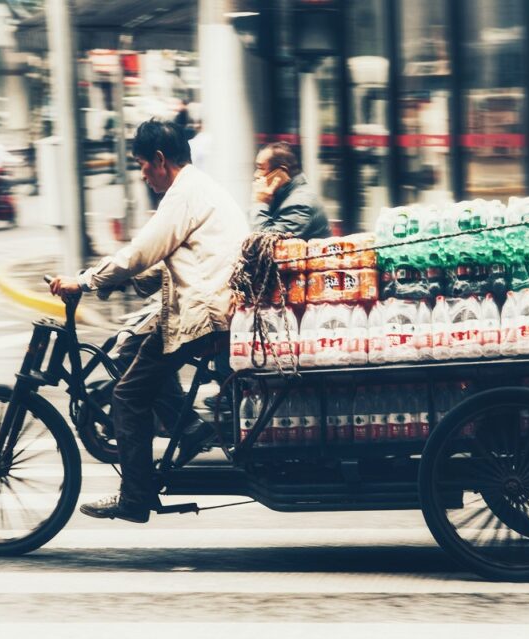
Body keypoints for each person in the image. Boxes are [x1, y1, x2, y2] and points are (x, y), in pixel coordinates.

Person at [49, 119, 248, 524]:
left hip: (205, 313)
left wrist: (86, 281)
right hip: (209, 303)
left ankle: (135, 497)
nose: (142, 173)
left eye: (142, 164)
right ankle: (187, 427)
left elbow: (142, 251)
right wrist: (110, 278)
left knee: (127, 396)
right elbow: (160, 259)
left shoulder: (184, 193)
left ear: (160, 160)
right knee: (132, 350)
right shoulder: (198, 188)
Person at [250, 141, 331, 240]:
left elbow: (263, 244)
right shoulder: (279, 196)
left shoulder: (300, 204)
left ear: (281, 173)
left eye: (260, 168)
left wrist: (260, 203)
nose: (256, 174)